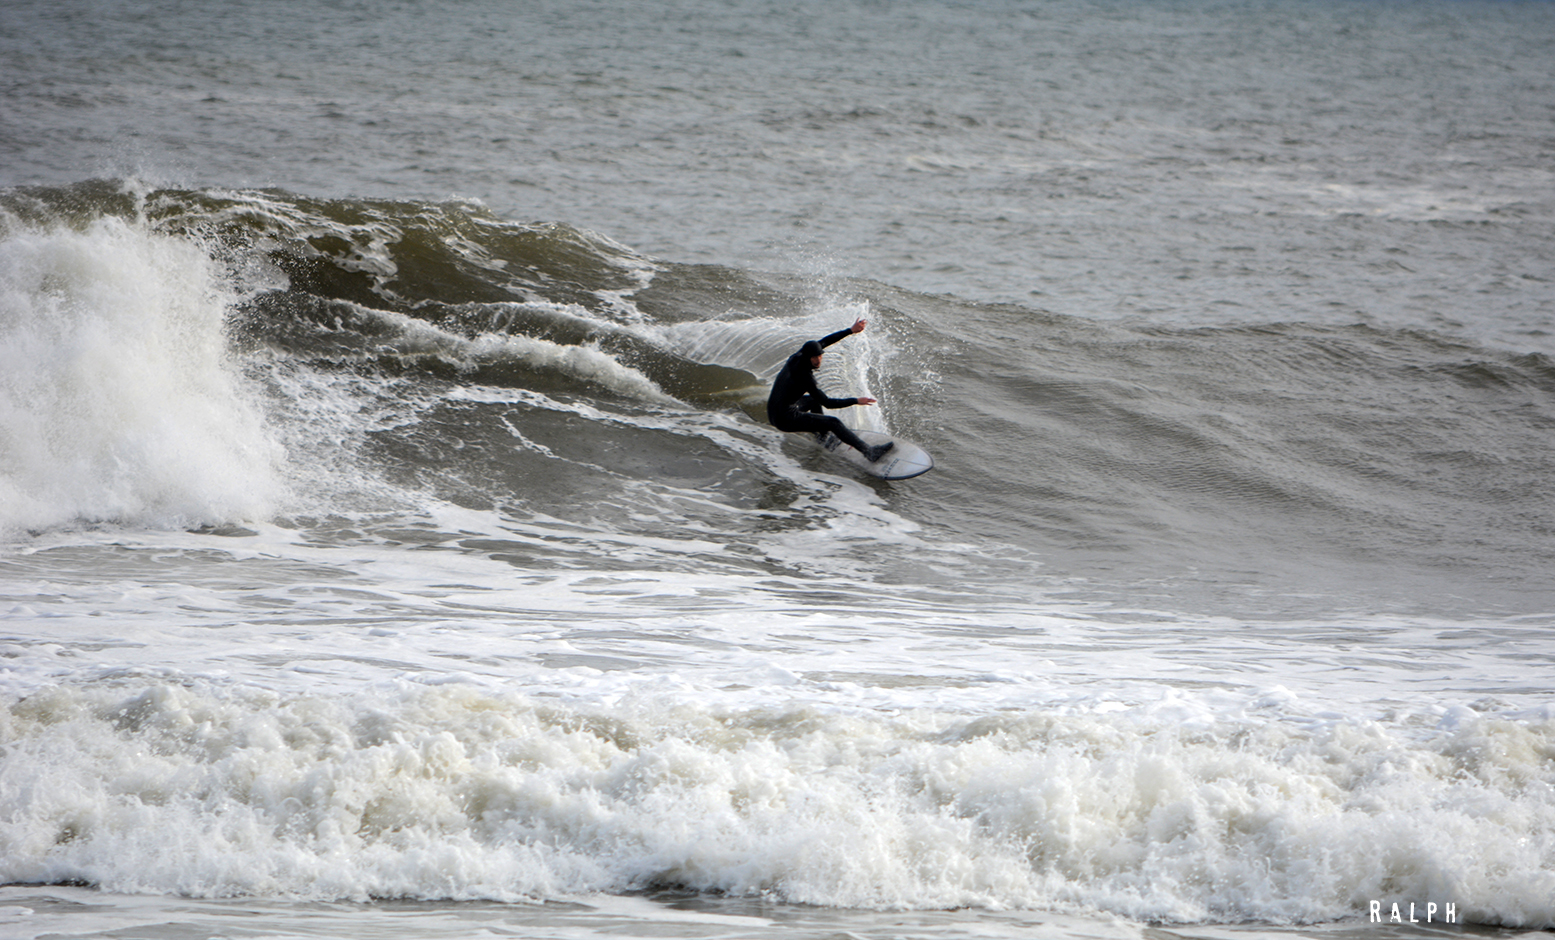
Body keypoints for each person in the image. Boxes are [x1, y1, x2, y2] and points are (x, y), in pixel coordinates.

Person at [767, 318, 894, 463]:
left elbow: (824, 341)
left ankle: (822, 435)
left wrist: (850, 330)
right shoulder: (805, 377)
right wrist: (856, 401)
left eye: (820, 355)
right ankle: (869, 452)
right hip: (784, 419)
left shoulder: (797, 357)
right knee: (833, 422)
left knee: (813, 400)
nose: (818, 360)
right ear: (808, 357)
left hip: (774, 411)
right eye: (814, 358)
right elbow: (828, 403)